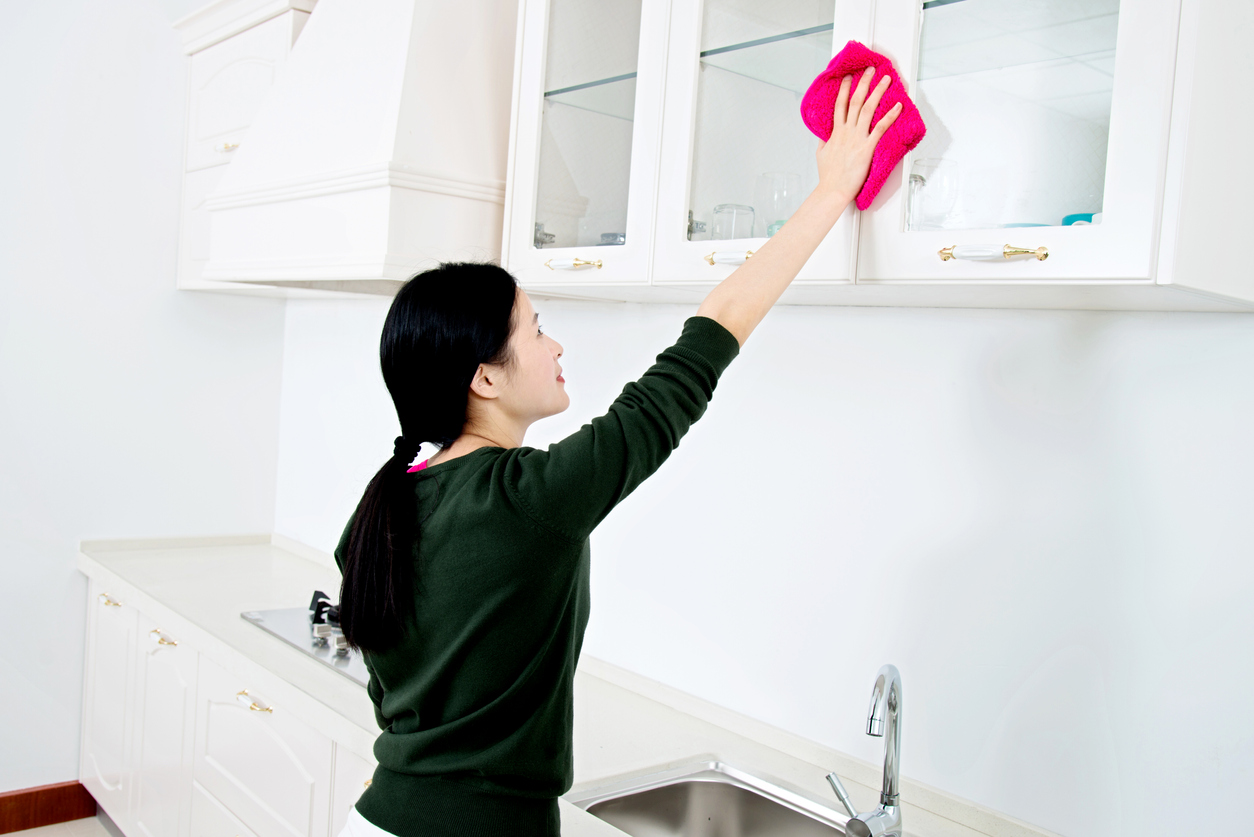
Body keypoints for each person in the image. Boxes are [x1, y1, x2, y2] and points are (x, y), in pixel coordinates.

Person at [333, 68, 901, 837]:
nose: (555, 344)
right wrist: (831, 192)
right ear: (484, 375)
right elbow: (697, 356)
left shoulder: (387, 502)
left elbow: (397, 696)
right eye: (536, 330)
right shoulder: (529, 499)